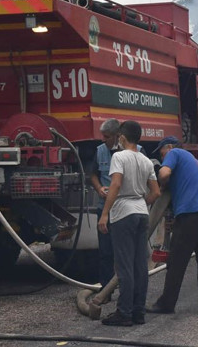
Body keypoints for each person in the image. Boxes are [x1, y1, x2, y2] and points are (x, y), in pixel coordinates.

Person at [98, 121, 161, 326]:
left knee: (124, 266)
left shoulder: (119, 156)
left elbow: (115, 184)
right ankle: (138, 312)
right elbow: (156, 192)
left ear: (122, 137)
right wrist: (142, 203)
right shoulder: (146, 160)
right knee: (139, 266)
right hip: (141, 214)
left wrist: (105, 213)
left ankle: (124, 313)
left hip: (123, 214)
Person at [147, 136, 198, 315]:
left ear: (169, 147)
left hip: (191, 215)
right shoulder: (194, 163)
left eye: (162, 153)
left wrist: (160, 185)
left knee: (176, 262)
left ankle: (166, 304)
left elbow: (164, 174)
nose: (163, 158)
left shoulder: (175, 153)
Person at [88, 118, 121, 288]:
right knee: (105, 251)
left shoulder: (135, 151)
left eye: (107, 136)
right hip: (104, 208)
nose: (103, 139)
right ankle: (106, 287)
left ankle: (125, 286)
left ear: (117, 136)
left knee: (123, 251)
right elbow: (92, 174)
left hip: (123, 209)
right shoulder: (100, 151)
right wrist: (99, 187)